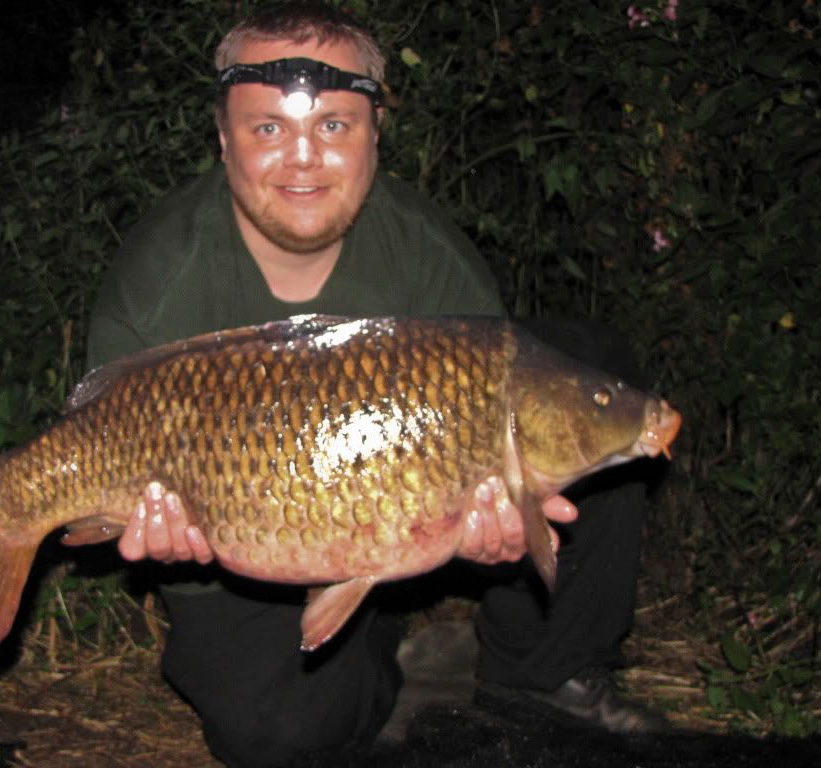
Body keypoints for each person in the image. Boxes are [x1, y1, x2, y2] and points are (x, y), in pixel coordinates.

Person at [86, 4, 664, 766]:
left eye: (333, 126)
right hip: (245, 554)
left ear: (374, 135)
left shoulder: (426, 256)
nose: (302, 159)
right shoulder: (155, 291)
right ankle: (388, 660)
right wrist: (174, 548)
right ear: (222, 137)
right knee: (280, 736)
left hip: (397, 516)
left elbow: (488, 443)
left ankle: (542, 675)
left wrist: (494, 529)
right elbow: (120, 468)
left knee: (592, 370)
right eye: (268, 129)